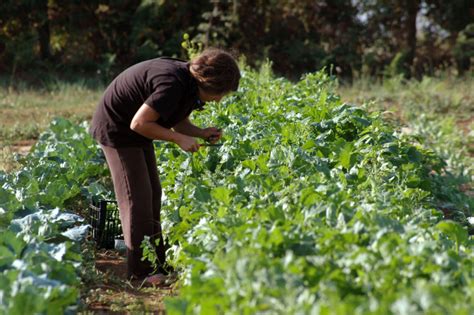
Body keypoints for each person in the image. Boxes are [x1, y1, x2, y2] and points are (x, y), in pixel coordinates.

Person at [89, 48, 240, 285]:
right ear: (209, 83)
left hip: (137, 131)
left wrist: (200, 132)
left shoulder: (188, 82)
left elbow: (176, 119)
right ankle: (140, 273)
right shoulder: (173, 83)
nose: (219, 100)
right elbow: (139, 122)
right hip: (117, 129)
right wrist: (178, 139)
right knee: (136, 199)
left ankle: (156, 263)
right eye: (220, 94)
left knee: (153, 194)